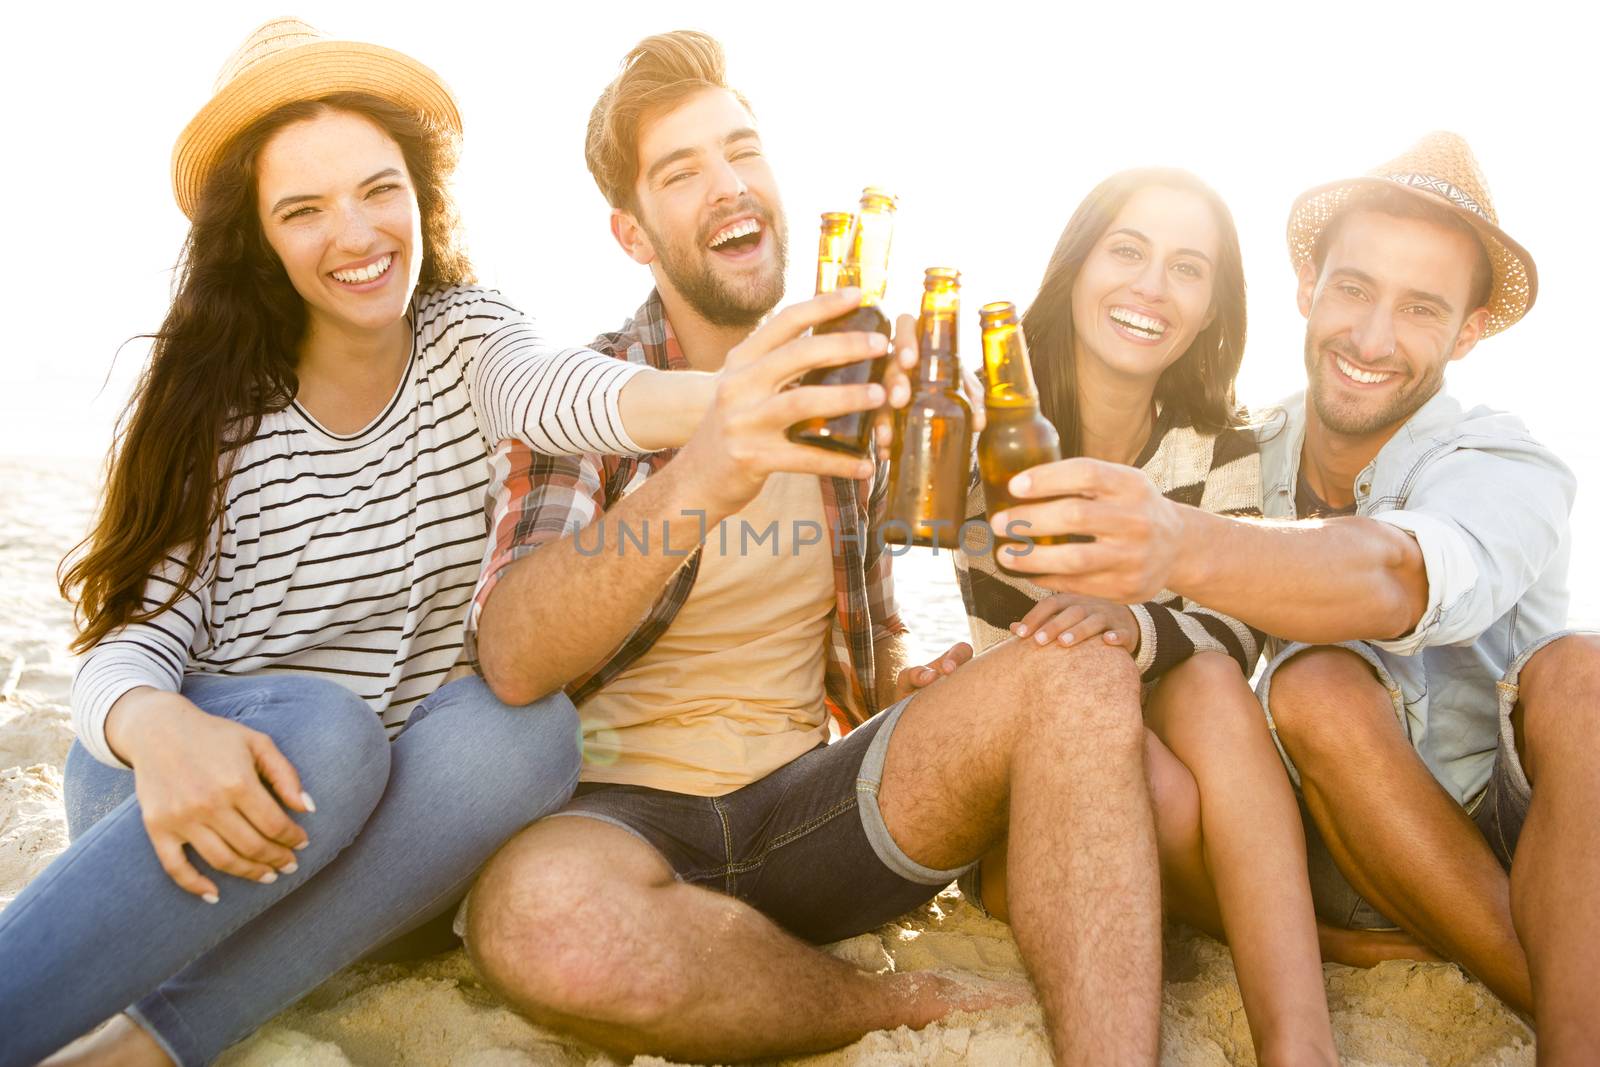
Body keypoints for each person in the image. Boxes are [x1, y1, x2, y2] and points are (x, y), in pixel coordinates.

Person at [0, 17, 758, 1067]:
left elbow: (564, 390)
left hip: (377, 840)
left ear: (420, 191)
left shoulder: (468, 334)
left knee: (527, 736)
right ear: (256, 235)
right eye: (303, 208)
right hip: (182, 792)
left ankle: (150, 1040)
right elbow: (129, 636)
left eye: (376, 188)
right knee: (324, 729)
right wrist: (162, 732)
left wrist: (733, 397)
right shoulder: (207, 402)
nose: (354, 233)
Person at [458, 30, 1162, 1066]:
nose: (728, 184)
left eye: (743, 152)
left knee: (1081, 676)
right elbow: (513, 652)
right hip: (617, 814)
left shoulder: (856, 380)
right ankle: (888, 1003)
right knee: (546, 924)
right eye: (682, 170)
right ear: (633, 233)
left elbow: (894, 612)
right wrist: (708, 461)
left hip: (810, 808)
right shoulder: (591, 396)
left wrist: (911, 691)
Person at [996, 132, 1600, 1060]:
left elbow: (1394, 574)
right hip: (1310, 841)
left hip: (1505, 840)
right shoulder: (1234, 445)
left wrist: (1182, 540)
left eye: (1420, 307)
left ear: (1468, 330)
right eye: (1353, 289)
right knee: (1274, 690)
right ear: (1308, 286)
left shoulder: (1508, 461)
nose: (1369, 337)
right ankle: (1522, 981)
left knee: (1580, 674)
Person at [952, 167, 1339, 1065]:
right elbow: (883, 545)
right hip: (1032, 772)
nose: (1151, 288)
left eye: (1187, 269)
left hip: (1171, 735)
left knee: (1205, 676)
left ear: (1212, 311)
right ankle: (1312, 941)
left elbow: (1240, 625)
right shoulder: (989, 412)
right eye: (1127, 250)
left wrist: (1132, 626)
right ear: (1078, 266)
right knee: (1146, 760)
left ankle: (1300, 1046)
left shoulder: (1224, 442)